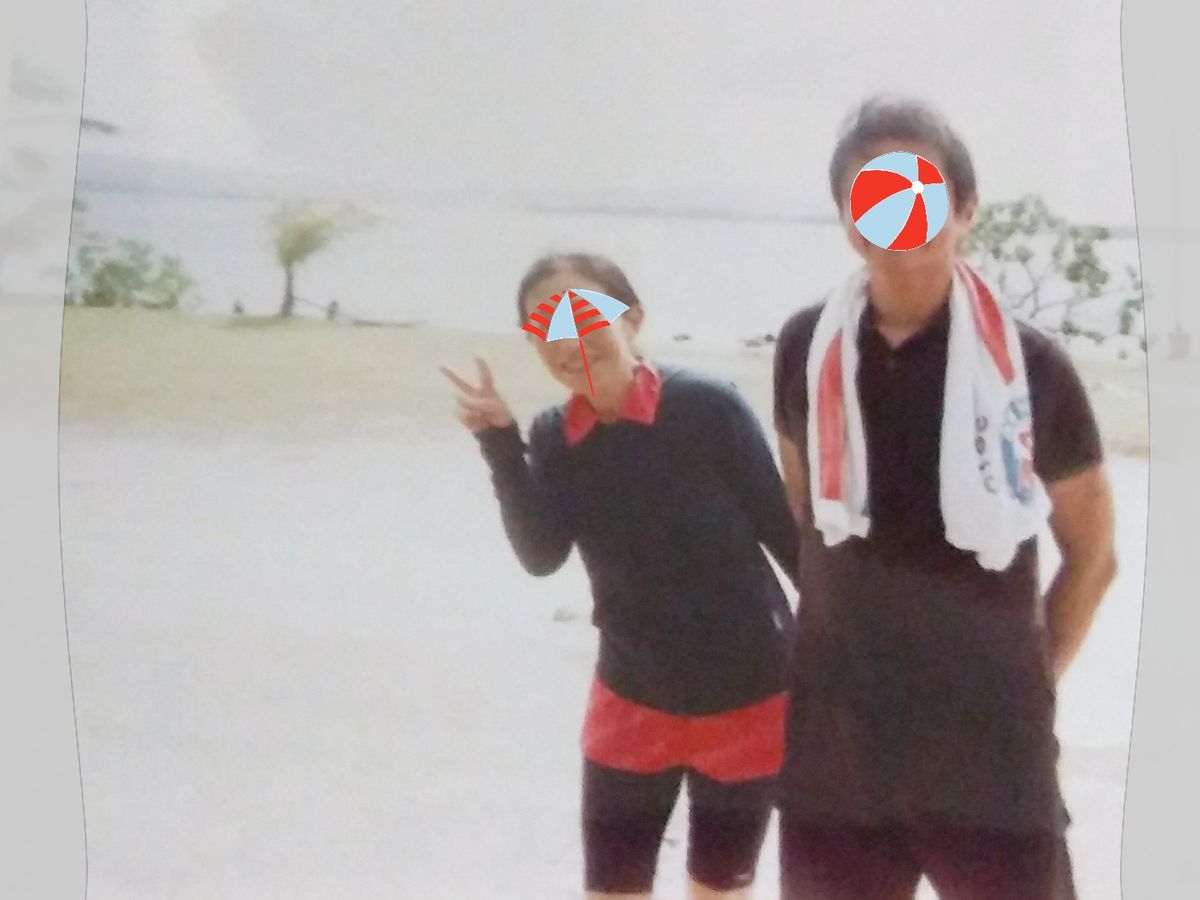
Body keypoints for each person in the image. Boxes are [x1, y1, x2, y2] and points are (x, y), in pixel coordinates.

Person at [771, 97, 1118, 900]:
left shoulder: (1033, 369)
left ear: (965, 209)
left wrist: (1028, 680)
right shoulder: (805, 349)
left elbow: (1093, 557)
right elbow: (805, 517)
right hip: (837, 754)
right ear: (850, 224)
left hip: (991, 760)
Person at [442, 252, 798, 900]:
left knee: (718, 889)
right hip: (631, 696)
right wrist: (501, 443)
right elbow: (541, 556)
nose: (569, 340)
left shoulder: (707, 407)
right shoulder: (555, 437)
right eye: (546, 326)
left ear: (632, 319)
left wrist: (857, 660)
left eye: (584, 313)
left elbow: (789, 538)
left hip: (749, 698)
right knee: (612, 889)